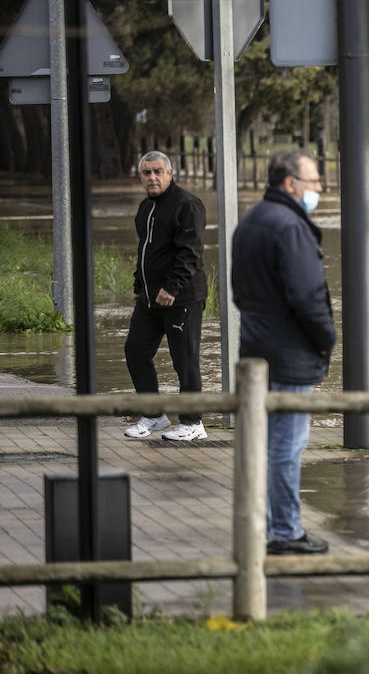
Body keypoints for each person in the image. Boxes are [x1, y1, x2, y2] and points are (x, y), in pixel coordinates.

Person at [231, 149, 334, 555]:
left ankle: (267, 524)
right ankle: (286, 531)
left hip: (256, 349)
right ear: (291, 184)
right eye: (314, 182)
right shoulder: (291, 226)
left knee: (266, 443)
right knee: (287, 447)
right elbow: (308, 296)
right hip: (290, 353)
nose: (320, 189)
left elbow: (239, 292)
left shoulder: (251, 220)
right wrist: (327, 338)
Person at [123, 151, 209, 442]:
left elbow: (190, 253)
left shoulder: (187, 205)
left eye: (158, 171)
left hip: (182, 298)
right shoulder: (145, 207)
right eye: (146, 173)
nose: (152, 177)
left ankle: (193, 422)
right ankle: (154, 415)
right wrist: (138, 287)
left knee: (184, 360)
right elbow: (145, 252)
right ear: (141, 177)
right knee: (135, 350)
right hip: (149, 300)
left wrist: (171, 288)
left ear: (170, 173)